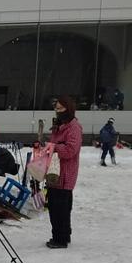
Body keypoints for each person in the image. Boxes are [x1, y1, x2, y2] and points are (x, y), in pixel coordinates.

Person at [46, 96, 82, 249]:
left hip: (65, 174)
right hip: (54, 172)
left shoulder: (74, 128)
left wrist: (53, 147)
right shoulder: (59, 126)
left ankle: (61, 239)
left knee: (60, 208)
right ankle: (60, 235)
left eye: (61, 108)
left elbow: (70, 150)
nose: (58, 111)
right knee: (54, 207)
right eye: (56, 108)